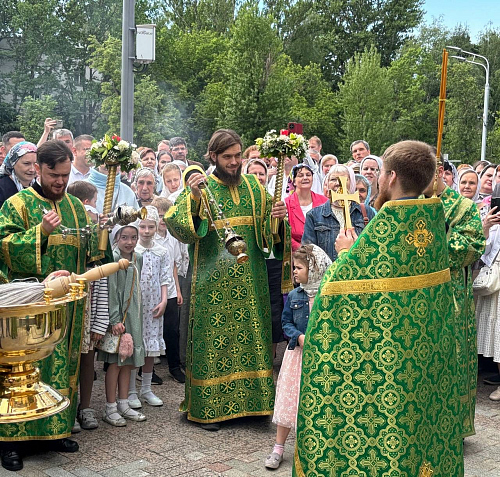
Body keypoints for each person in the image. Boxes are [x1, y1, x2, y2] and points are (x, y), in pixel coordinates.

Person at [294, 140, 464, 476]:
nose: (379, 179)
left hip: (391, 368)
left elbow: (334, 293)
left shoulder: (387, 225)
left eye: (382, 172)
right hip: (424, 360)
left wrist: (346, 251)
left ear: (391, 177)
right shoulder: (431, 220)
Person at [165, 128, 291, 431]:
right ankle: (210, 408)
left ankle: (254, 406)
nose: (234, 162)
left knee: (251, 341)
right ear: (213, 156)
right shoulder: (201, 187)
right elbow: (177, 225)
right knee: (214, 344)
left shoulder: (254, 187)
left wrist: (277, 218)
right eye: (227, 157)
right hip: (212, 285)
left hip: (250, 282)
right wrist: (195, 198)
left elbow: (269, 235)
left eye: (237, 156)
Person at [0, 140, 104, 471]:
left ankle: (54, 431)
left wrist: (102, 233)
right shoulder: (17, 205)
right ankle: (12, 441)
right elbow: (4, 249)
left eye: (65, 175)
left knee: (63, 365)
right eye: (53, 174)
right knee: (23, 372)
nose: (60, 181)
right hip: (29, 309)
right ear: (38, 169)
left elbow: (91, 254)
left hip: (68, 308)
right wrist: (40, 232)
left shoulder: (75, 207)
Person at [423, 156, 486, 438]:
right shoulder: (410, 204)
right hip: (418, 296)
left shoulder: (463, 207)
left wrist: (435, 241)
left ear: (439, 172)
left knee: (452, 356)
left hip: (452, 296)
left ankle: (452, 428)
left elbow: (472, 246)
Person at [265, 244, 331, 470]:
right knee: (289, 399)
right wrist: (298, 336)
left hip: (320, 358)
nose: (294, 271)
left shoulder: (327, 296)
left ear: (314, 270)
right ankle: (278, 448)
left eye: (299, 268)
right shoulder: (294, 295)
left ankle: (315, 446)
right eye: (294, 267)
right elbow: (286, 322)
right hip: (297, 357)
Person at [66, 181, 107, 431]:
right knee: (67, 362)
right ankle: (68, 409)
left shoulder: (96, 258)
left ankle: (86, 406)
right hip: (69, 309)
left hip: (90, 313)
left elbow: (102, 286)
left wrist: (100, 322)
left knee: (88, 360)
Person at [98, 224, 147, 426]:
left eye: (133, 237)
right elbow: (112, 291)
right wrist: (114, 319)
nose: (129, 242)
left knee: (127, 361)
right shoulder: (114, 260)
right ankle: (110, 407)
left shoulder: (138, 258)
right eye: (124, 237)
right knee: (115, 362)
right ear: (116, 238)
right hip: (118, 318)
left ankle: (124, 403)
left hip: (133, 316)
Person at [128, 207, 170, 408]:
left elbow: (165, 278)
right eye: (143, 227)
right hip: (136, 304)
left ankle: (146, 388)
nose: (146, 231)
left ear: (156, 227)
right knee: (135, 346)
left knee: (150, 348)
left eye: (150, 227)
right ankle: (130, 390)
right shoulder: (133, 251)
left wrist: (164, 300)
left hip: (154, 304)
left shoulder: (162, 252)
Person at [302, 165, 375, 261]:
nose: (338, 183)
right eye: (333, 179)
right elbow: (308, 253)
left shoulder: (366, 212)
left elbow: (374, 246)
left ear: (352, 183)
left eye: (344, 179)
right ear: (327, 184)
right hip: (329, 270)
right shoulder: (314, 215)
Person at [151, 197, 185, 383]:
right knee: (152, 329)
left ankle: (174, 367)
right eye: (159, 216)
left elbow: (174, 265)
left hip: (170, 290)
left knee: (172, 330)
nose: (163, 220)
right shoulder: (150, 238)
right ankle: (146, 370)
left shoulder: (172, 238)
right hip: (153, 291)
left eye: (166, 216)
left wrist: (178, 290)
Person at [285, 164, 328, 251]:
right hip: (296, 253)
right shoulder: (286, 204)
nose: (305, 178)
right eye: (300, 175)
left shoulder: (324, 201)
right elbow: (284, 233)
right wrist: (302, 250)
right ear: (294, 181)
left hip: (323, 251)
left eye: (308, 175)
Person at [0, 141, 37, 208]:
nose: (32, 169)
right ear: (13, 163)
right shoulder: (2, 188)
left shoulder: (41, 187)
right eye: (26, 164)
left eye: (35, 164)